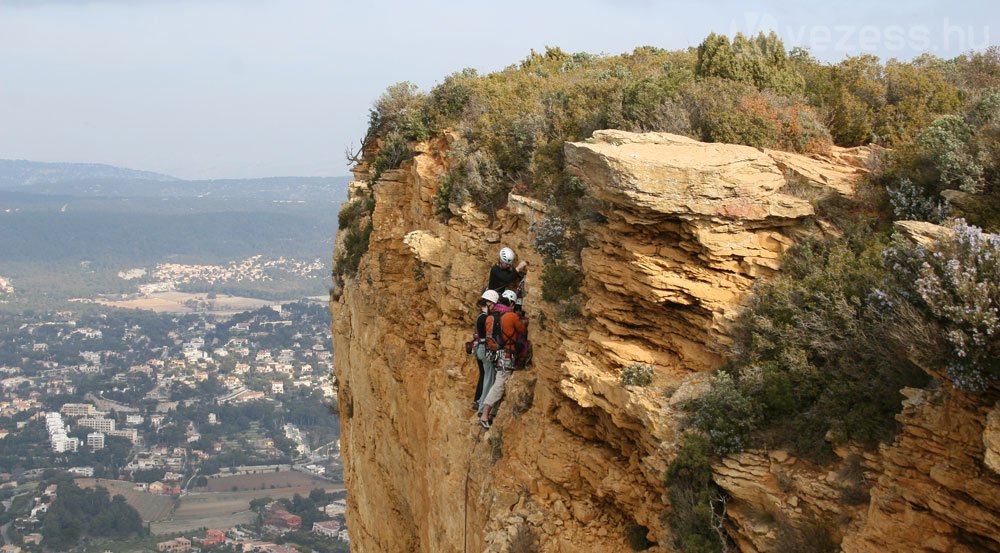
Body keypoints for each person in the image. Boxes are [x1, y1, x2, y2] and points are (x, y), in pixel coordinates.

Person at [479, 291, 527, 429]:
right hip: (508, 355)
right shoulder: (511, 316)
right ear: (511, 304)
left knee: (497, 381)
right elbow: (522, 331)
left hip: (495, 354)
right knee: (499, 384)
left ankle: (492, 412)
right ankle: (485, 413)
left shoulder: (490, 318)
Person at [471, 290, 499, 413]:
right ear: (488, 303)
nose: (494, 307)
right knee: (489, 378)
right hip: (484, 348)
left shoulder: (480, 316)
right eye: (493, 304)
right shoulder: (486, 318)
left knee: (484, 376)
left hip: (479, 348)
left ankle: (479, 401)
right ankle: (483, 407)